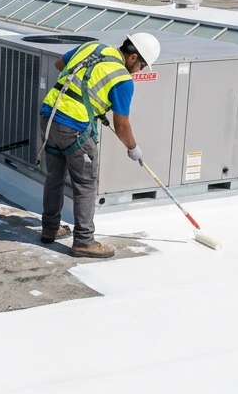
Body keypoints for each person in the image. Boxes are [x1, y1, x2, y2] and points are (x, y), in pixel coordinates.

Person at [38, 32, 161, 259]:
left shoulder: (92, 47)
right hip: (74, 127)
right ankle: (84, 241)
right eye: (142, 64)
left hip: (49, 116)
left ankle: (50, 228)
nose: (141, 70)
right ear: (133, 57)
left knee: (54, 177)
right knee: (85, 183)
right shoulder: (122, 80)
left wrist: (89, 98)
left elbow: (59, 64)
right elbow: (121, 124)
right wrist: (133, 148)